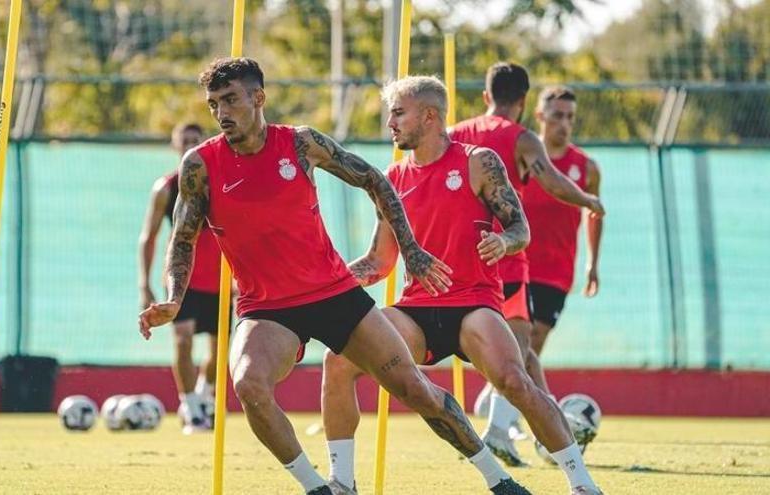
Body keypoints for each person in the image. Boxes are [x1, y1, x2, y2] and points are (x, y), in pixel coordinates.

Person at [138, 57, 517, 495]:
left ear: (258, 98)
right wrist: (172, 298)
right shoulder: (199, 165)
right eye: (213, 104)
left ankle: (500, 480)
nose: (221, 113)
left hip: (335, 295)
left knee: (415, 390)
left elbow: (376, 180)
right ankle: (320, 489)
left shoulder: (301, 143)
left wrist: (410, 250)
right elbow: (182, 240)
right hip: (268, 309)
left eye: (230, 100)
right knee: (248, 384)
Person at [322, 75, 602, 495]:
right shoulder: (392, 180)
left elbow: (519, 227)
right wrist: (330, 280)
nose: (390, 123)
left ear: (429, 116)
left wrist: (504, 241)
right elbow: (380, 262)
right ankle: (341, 483)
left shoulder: (478, 161)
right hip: (414, 311)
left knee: (514, 379)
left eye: (398, 112)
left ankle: (582, 484)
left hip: (475, 304)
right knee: (338, 361)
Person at [449, 63, 604, 466]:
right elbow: (550, 180)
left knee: (522, 349)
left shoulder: (456, 133)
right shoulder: (521, 138)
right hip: (508, 256)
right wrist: (588, 200)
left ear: (486, 97)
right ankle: (499, 428)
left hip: (466, 257)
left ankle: (536, 422)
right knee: (518, 345)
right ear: (523, 103)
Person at [138, 123, 218, 434]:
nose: (189, 146)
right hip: (183, 280)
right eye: (183, 141)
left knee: (218, 349)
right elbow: (149, 237)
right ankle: (191, 406)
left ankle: (205, 396)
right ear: (175, 146)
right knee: (182, 339)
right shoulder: (166, 188)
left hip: (220, 280)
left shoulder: (217, 184)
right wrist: (144, 284)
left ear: (204, 144)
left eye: (195, 141)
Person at [524, 86, 603, 371]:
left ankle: (499, 404)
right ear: (540, 116)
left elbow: (594, 214)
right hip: (517, 263)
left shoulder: (586, 168)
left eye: (570, 117)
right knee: (514, 339)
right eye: (557, 115)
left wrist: (592, 263)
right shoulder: (521, 159)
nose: (565, 124)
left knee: (536, 337)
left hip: (557, 270)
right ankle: (499, 402)